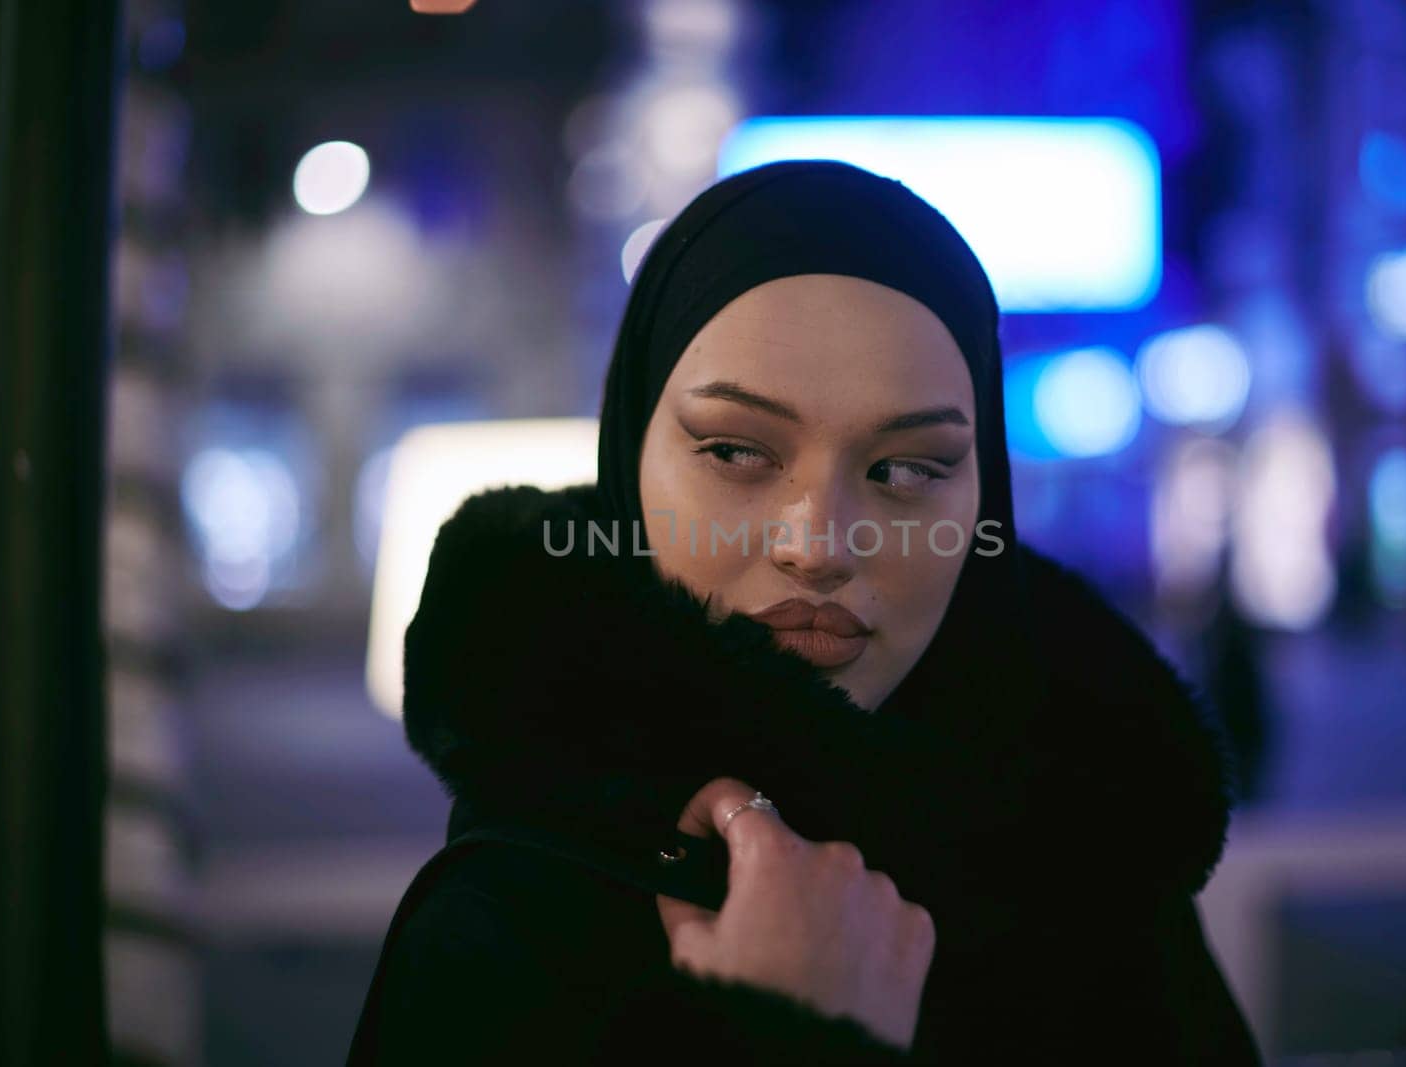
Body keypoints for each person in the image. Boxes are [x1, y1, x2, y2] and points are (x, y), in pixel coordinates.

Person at [345, 160, 1263, 1063]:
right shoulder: (513, 917)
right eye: (738, 451)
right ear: (630, 458)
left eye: (907, 469)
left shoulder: (1098, 865)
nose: (819, 544)